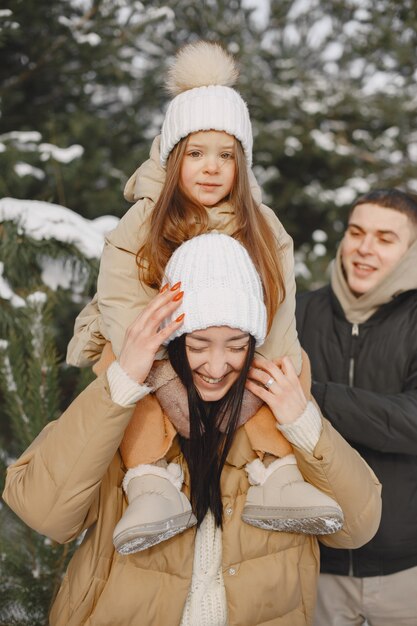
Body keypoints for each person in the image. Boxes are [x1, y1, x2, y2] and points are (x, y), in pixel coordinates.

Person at [3, 232, 381, 626]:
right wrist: (121, 385)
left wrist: (303, 422)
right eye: (199, 345)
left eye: (236, 346)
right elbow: (43, 512)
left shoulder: (279, 417)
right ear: (175, 339)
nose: (217, 368)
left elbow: (356, 527)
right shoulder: (126, 412)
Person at [65, 40, 343, 554]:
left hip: (234, 352)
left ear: (242, 166)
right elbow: (119, 296)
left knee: (291, 365)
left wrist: (268, 377)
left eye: (225, 157)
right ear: (174, 159)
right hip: (163, 351)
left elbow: (279, 306)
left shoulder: (263, 228)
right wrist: (162, 374)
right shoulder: (146, 221)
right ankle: (150, 480)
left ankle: (277, 473)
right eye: (196, 154)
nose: (211, 168)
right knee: (119, 368)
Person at [295, 188, 417, 626]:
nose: (365, 248)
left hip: (406, 568)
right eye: (356, 232)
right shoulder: (298, 313)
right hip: (315, 562)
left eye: (385, 238)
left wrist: (313, 397)